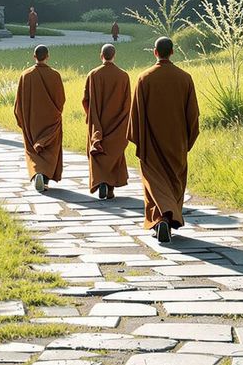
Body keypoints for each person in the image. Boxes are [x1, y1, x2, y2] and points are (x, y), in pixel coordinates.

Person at [128, 36, 200, 243]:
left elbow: (136, 114)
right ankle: (167, 218)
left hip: (151, 144)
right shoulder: (185, 78)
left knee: (154, 182)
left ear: (155, 52)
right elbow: (192, 115)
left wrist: (139, 139)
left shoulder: (144, 78)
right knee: (173, 182)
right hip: (176, 143)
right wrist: (188, 140)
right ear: (173, 52)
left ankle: (161, 219)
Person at [13, 44, 64, 193]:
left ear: (34, 56)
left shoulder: (25, 75)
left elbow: (18, 103)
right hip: (50, 120)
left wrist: (21, 120)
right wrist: (56, 114)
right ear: (47, 56)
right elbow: (61, 100)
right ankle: (45, 179)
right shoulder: (55, 75)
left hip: (31, 122)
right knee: (50, 148)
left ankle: (37, 174)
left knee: (33, 149)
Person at [83, 43, 130, 200]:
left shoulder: (93, 75)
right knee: (114, 153)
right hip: (117, 123)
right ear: (114, 55)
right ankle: (110, 188)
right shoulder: (123, 76)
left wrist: (91, 116)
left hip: (98, 121)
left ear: (101, 55)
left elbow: (86, 100)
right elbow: (127, 103)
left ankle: (100, 181)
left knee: (98, 151)